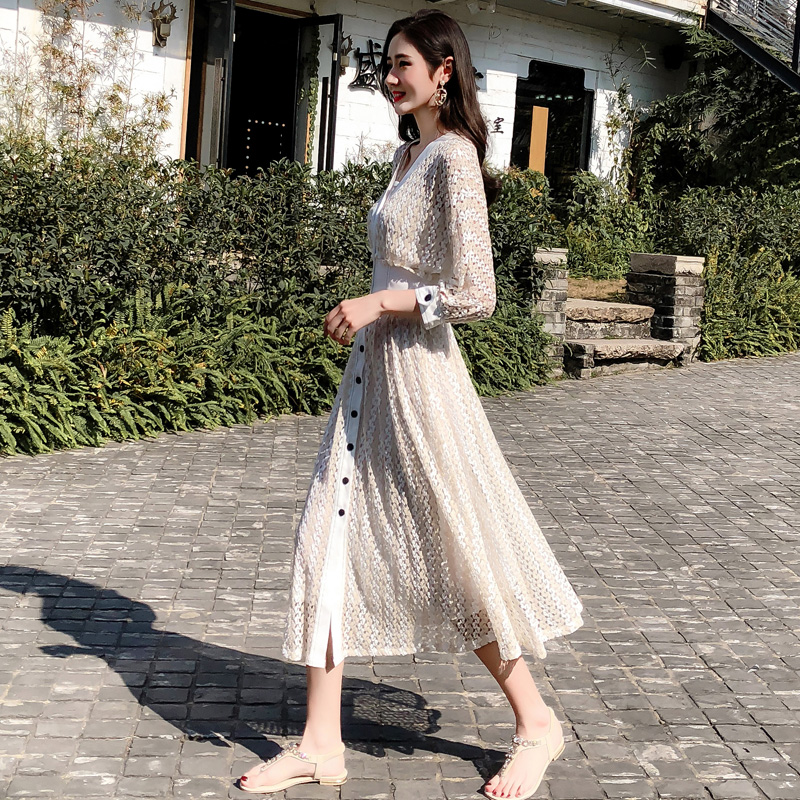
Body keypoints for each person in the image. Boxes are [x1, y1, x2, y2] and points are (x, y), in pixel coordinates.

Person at [238, 9, 584, 799]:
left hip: (422, 386)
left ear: (442, 71)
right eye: (387, 64)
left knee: (454, 553)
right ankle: (321, 744)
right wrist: (366, 312)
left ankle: (536, 724)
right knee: (324, 543)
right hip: (371, 381)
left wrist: (380, 304)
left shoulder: (453, 157)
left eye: (403, 64)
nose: (390, 77)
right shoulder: (407, 156)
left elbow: (478, 293)